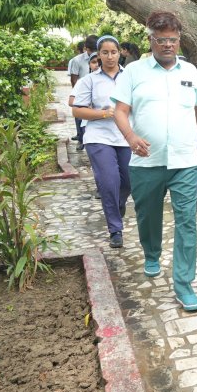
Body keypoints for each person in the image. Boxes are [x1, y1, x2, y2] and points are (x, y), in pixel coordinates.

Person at [112, 11, 197, 312]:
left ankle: (184, 284)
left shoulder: (190, 71)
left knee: (187, 221)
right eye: (161, 40)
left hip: (184, 161)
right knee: (148, 217)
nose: (167, 45)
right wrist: (130, 138)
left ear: (179, 40)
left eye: (173, 40)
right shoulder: (133, 72)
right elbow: (119, 111)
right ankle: (151, 253)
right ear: (150, 40)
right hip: (146, 161)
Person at [70, 35, 131, 248]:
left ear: (119, 52)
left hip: (126, 137)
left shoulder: (130, 77)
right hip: (99, 137)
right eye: (104, 52)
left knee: (128, 181)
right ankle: (115, 228)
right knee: (108, 181)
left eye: (113, 52)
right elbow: (77, 110)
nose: (110, 56)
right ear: (98, 54)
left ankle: (119, 202)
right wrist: (103, 114)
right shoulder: (89, 80)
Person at [69, 35, 98, 147]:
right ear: (86, 48)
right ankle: (81, 139)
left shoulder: (103, 58)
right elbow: (74, 79)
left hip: (97, 95)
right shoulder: (77, 60)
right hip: (82, 93)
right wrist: (78, 94)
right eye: (92, 50)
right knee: (80, 117)